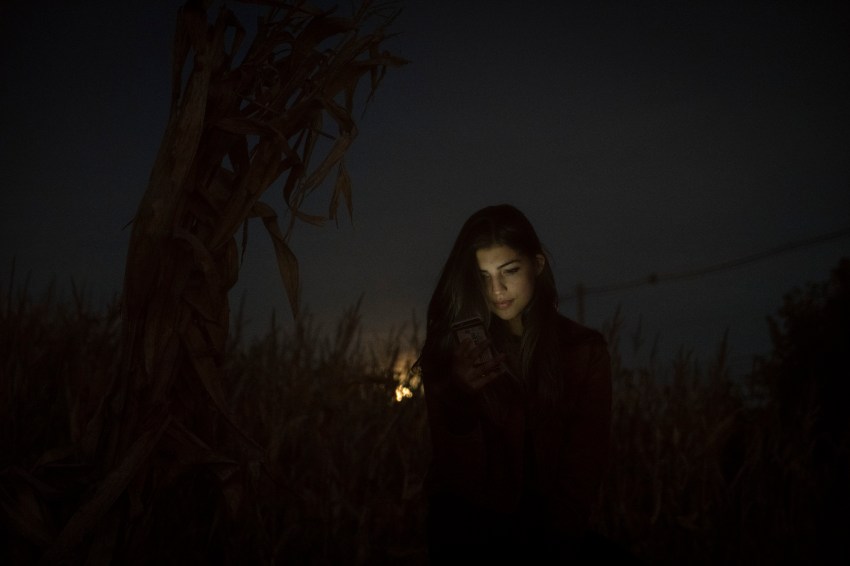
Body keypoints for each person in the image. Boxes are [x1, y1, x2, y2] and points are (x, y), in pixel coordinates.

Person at [415, 204, 613, 563]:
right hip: (467, 538)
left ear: (537, 265)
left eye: (509, 271)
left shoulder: (583, 351)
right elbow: (456, 476)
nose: (497, 289)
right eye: (483, 276)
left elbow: (584, 466)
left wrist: (557, 543)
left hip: (550, 538)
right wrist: (460, 397)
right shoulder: (450, 352)